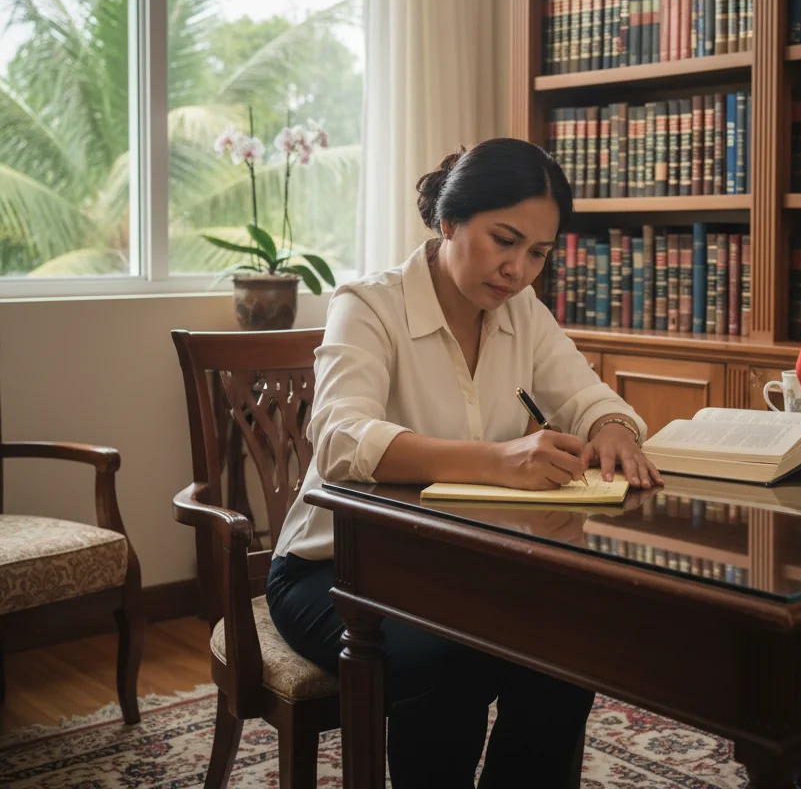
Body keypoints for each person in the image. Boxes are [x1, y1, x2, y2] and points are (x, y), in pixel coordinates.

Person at [268, 137, 661, 789]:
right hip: (333, 570)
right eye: (503, 239)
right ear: (450, 221)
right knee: (446, 660)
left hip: (460, 565)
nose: (518, 269)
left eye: (537, 252)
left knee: (568, 654)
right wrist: (498, 460)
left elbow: (585, 394)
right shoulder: (367, 306)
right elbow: (339, 439)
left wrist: (615, 426)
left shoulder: (521, 312)